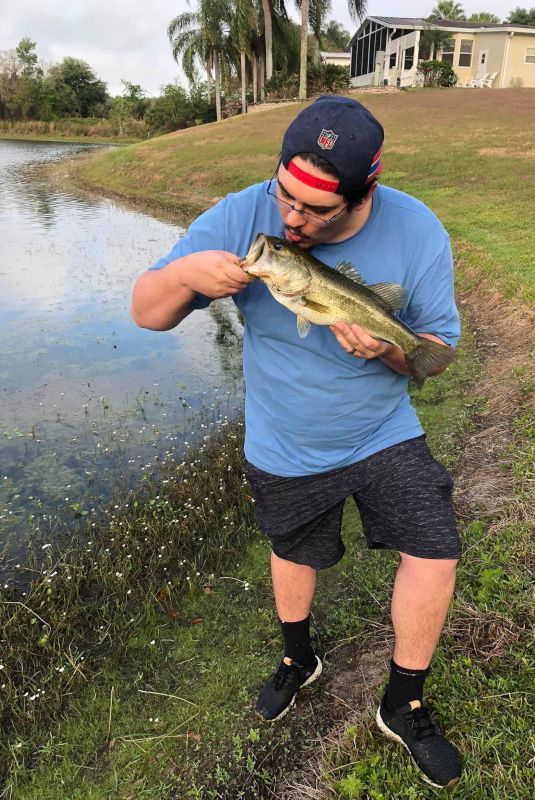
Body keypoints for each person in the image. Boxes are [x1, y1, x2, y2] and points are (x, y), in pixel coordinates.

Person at [131, 95, 462, 789]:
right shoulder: (243, 214)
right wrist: (190, 276)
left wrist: (391, 352)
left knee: (434, 549)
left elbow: (436, 347)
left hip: (383, 429)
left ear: (365, 189)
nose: (290, 220)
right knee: (291, 550)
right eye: (285, 198)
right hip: (284, 435)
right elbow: (146, 311)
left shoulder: (418, 228)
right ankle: (297, 659)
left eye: (316, 213)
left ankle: (404, 702)